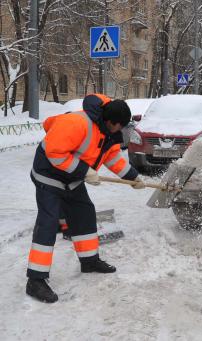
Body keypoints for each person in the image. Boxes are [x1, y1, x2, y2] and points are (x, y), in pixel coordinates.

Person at [26, 93, 145, 303]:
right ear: (110, 122)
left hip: (72, 178)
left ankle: (89, 261)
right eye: (120, 126)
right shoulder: (77, 122)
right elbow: (55, 153)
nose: (121, 130)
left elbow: (113, 157)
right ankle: (35, 280)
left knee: (84, 213)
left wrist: (133, 177)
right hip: (48, 175)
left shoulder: (109, 132)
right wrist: (84, 171)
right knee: (48, 222)